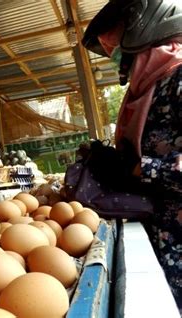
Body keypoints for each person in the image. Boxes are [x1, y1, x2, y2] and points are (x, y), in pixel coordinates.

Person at [82, 0, 181, 310]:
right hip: (161, 233)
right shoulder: (153, 85)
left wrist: (137, 170)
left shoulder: (178, 80)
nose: (119, 61)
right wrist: (113, 160)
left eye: (120, 49)